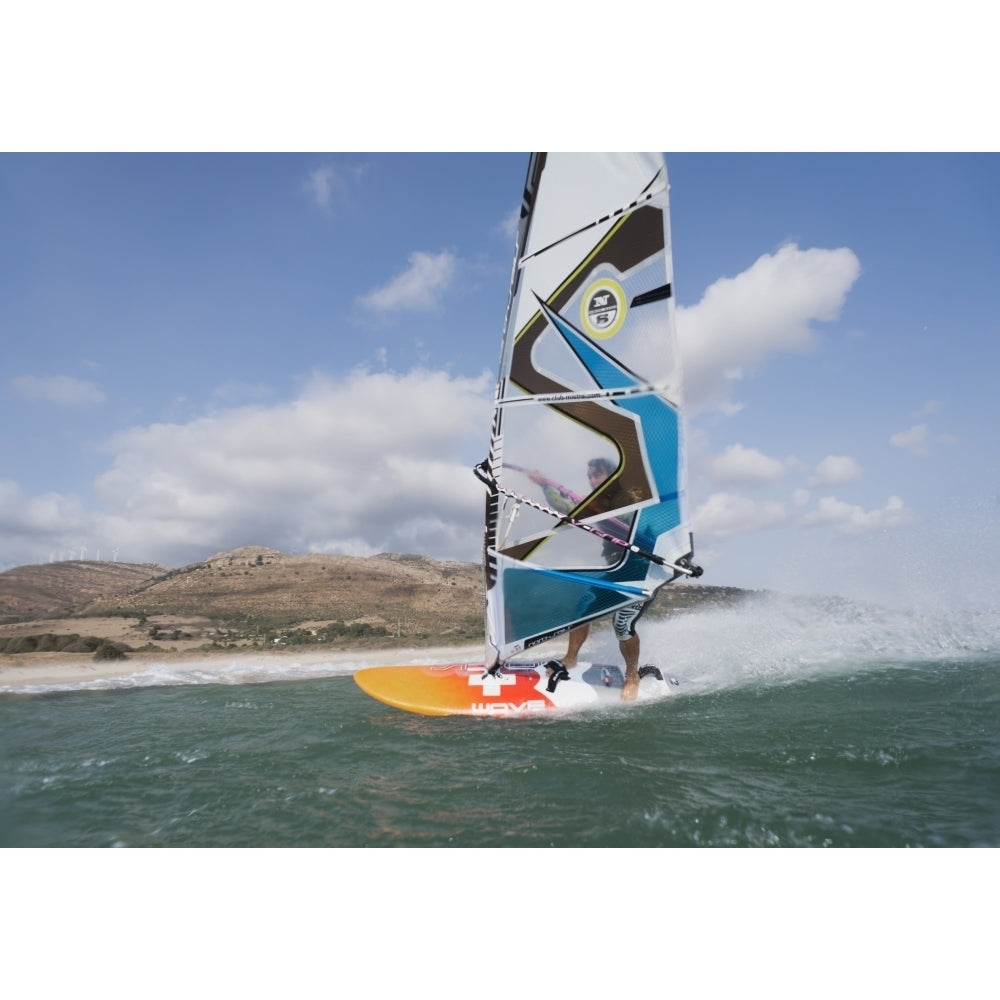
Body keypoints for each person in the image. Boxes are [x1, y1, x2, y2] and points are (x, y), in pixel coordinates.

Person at [529, 457, 650, 701]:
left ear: (612, 476)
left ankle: (632, 675)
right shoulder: (598, 503)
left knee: (622, 624)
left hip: (642, 573)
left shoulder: (630, 498)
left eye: (598, 475)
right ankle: (571, 658)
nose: (593, 481)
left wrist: (599, 509)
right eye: (590, 477)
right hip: (617, 569)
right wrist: (545, 485)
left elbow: (630, 517)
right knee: (581, 609)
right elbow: (568, 510)